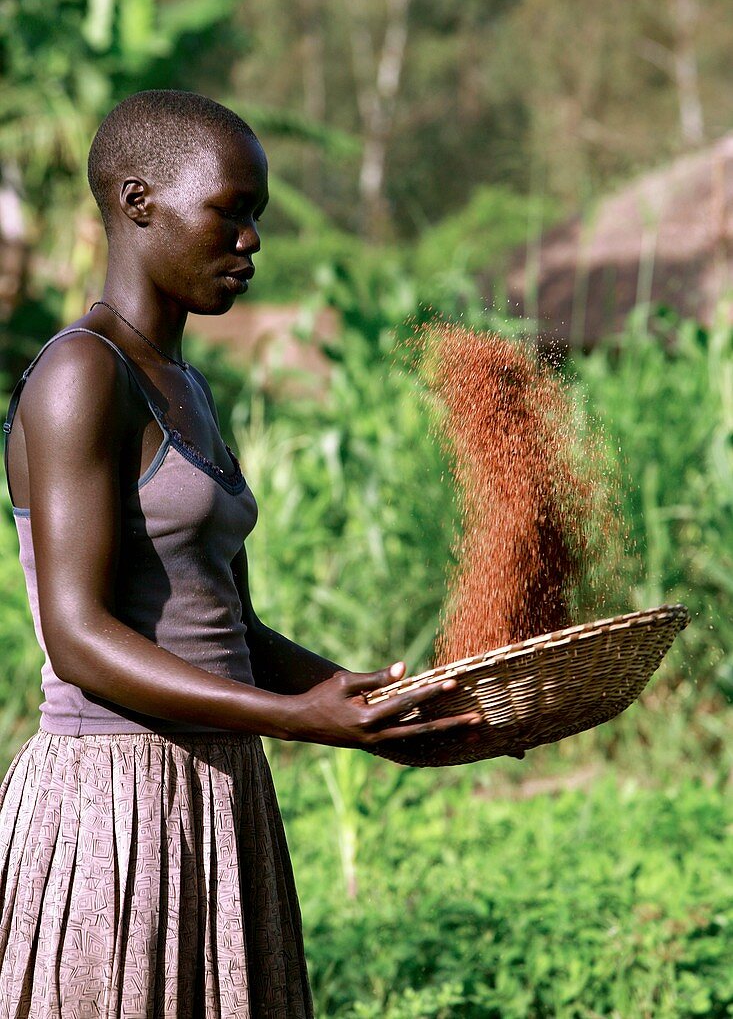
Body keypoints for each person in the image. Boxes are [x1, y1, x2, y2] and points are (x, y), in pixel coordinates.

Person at [0, 90, 480, 1018]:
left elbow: (232, 625)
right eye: (232, 212)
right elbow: (77, 637)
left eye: (256, 216)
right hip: (115, 805)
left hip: (218, 790)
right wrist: (294, 719)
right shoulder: (80, 375)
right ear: (139, 201)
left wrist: (380, 705)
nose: (253, 241)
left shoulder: (183, 384)